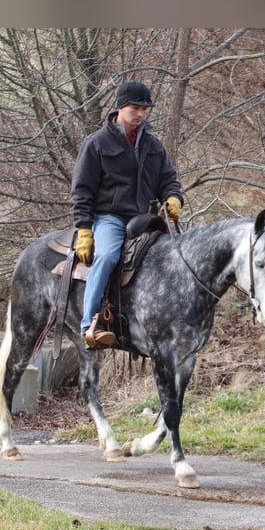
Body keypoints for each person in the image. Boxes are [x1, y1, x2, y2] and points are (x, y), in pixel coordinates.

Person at [70, 81, 184, 348]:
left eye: (145, 109)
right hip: (109, 218)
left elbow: (169, 180)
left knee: (176, 257)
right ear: (120, 107)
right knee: (108, 256)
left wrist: (173, 198)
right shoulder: (96, 143)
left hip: (146, 219)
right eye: (136, 108)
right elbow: (81, 190)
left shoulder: (153, 146)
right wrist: (84, 229)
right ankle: (90, 325)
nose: (141, 114)